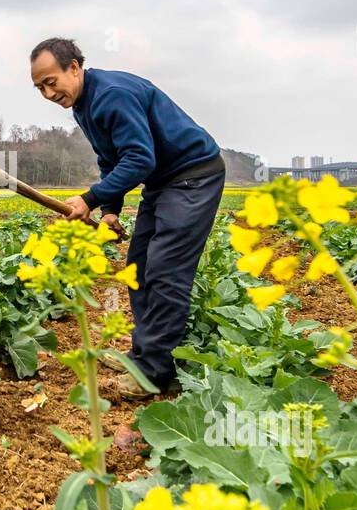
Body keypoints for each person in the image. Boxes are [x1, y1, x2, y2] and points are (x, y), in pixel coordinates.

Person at [29, 37, 225, 396]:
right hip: (163, 182)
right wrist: (110, 211)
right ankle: (142, 354)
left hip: (193, 176)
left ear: (74, 67)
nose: (47, 93)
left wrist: (88, 198)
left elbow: (139, 160)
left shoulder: (111, 95)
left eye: (51, 82)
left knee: (166, 271)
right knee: (138, 268)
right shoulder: (83, 106)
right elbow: (112, 160)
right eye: (39, 87)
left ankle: (153, 374)